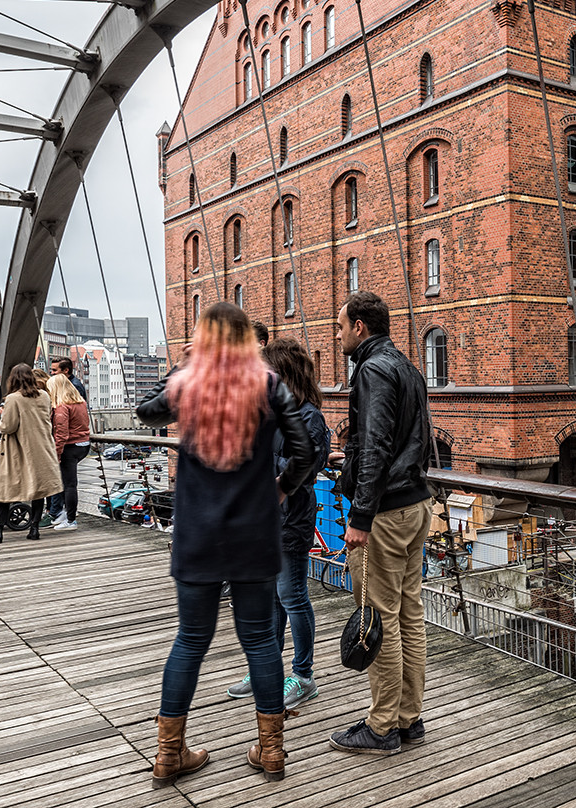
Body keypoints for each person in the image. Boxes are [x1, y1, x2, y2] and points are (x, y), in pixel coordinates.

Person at [135, 302, 317, 783]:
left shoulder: (187, 383)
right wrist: (281, 489)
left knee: (190, 640)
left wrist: (185, 367)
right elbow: (306, 450)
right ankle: (272, 750)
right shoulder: (268, 385)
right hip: (254, 532)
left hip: (197, 533)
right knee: (259, 640)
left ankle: (169, 755)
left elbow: (145, 413)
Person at [329, 291, 436, 756]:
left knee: (378, 617)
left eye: (340, 327)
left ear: (359, 327)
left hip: (385, 515)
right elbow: (403, 441)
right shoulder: (408, 368)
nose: (336, 336)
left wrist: (360, 515)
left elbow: (374, 447)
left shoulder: (370, 370)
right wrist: (349, 460)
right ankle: (409, 719)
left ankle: (381, 726)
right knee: (409, 615)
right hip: (416, 506)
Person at [226, 336, 329, 708]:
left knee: (292, 597)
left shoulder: (309, 418)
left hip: (290, 519)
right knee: (270, 600)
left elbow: (301, 469)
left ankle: (303, 675)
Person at [0, 365, 59, 543]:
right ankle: (34, 528)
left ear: (12, 379)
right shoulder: (44, 395)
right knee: (39, 489)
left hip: (17, 449)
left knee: (4, 487)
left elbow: (8, 427)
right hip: (42, 447)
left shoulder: (13, 399)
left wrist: (2, 414)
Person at [46, 372, 91, 530]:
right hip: (83, 445)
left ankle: (71, 520)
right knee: (69, 483)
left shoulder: (61, 408)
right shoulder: (81, 403)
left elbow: (62, 434)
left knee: (69, 484)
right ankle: (67, 514)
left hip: (69, 448)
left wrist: (56, 454)